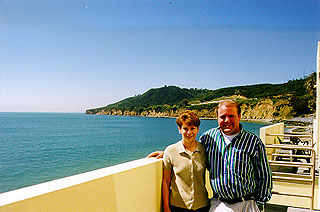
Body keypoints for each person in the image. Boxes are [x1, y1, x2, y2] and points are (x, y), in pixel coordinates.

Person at [148, 100, 272, 212]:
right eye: (222, 117)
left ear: (239, 116)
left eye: (231, 116)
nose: (227, 120)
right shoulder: (209, 137)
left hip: (246, 204)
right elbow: (192, 148)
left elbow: (265, 175)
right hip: (219, 204)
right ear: (217, 118)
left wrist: (259, 204)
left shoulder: (253, 142)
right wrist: (169, 153)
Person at [162, 111, 210, 212]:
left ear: (198, 129)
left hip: (202, 206)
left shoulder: (204, 150)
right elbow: (166, 182)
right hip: (177, 206)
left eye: (192, 128)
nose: (189, 132)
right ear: (179, 129)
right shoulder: (170, 151)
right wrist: (166, 207)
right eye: (185, 129)